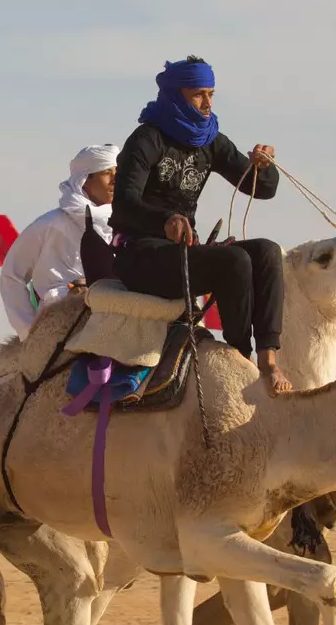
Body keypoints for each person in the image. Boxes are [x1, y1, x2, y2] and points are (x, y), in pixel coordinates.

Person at [110, 57, 290, 391]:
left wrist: (264, 168)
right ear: (177, 95)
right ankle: (239, 357)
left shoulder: (210, 140)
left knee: (266, 251)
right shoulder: (146, 139)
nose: (207, 104)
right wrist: (164, 220)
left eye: (211, 94)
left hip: (183, 254)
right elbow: (122, 206)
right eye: (198, 95)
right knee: (233, 260)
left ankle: (268, 359)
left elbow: (263, 189)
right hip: (142, 255)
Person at [0, 143, 119, 336]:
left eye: (118, 171)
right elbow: (11, 275)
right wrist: (28, 331)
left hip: (116, 319)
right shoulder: (49, 225)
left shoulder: (127, 225)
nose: (116, 179)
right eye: (106, 172)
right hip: (58, 327)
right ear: (84, 180)